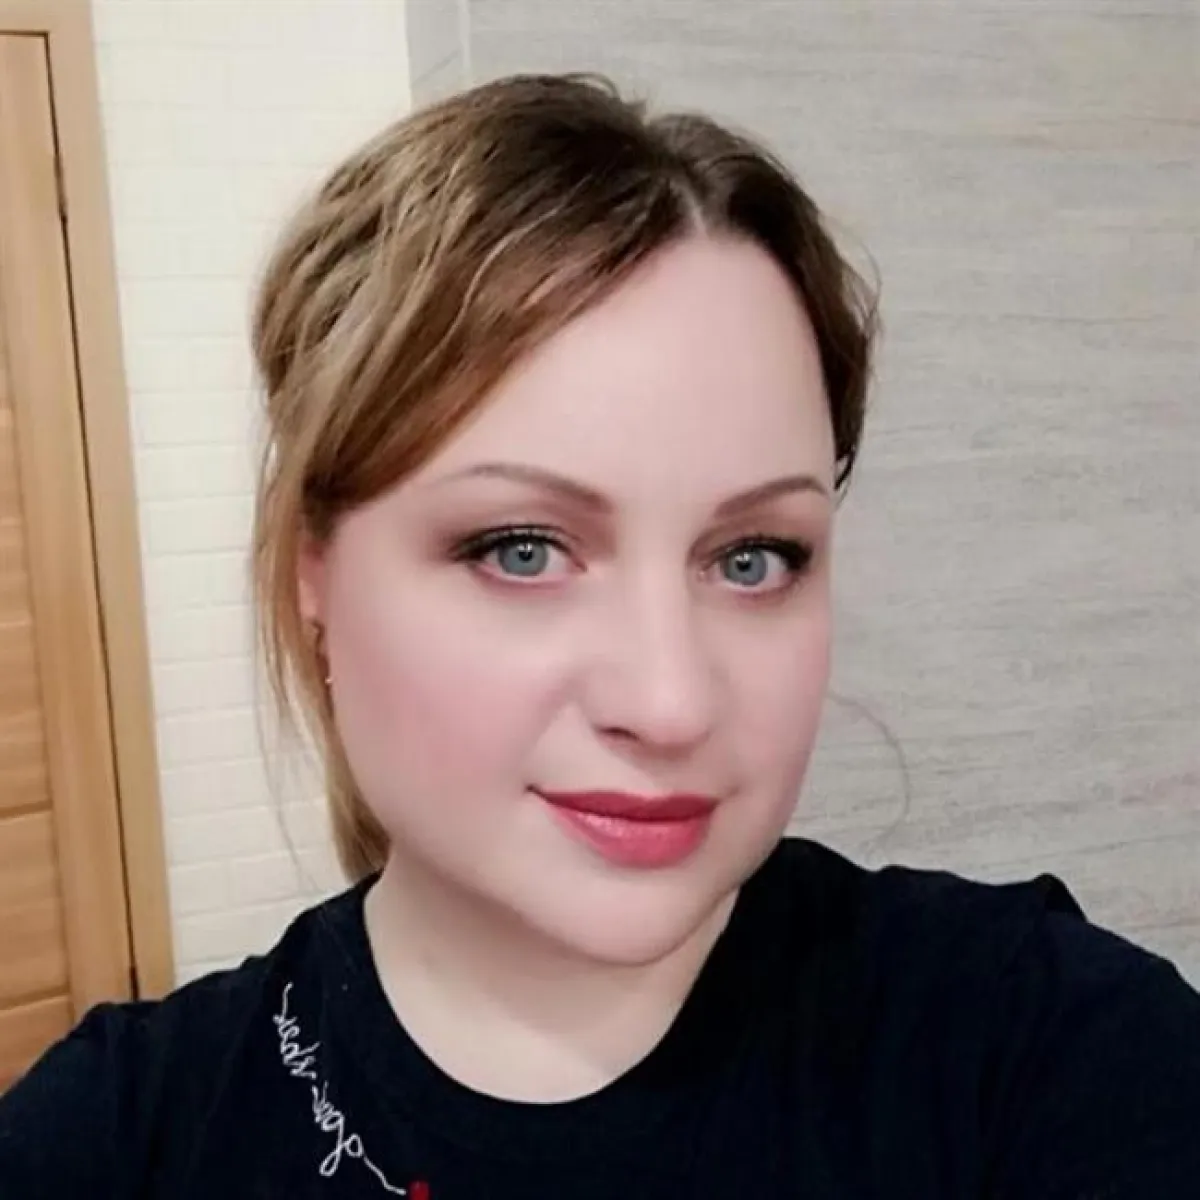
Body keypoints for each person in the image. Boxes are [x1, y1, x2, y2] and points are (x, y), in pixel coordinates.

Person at [1, 72, 1197, 1200]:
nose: (671, 703)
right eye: (522, 549)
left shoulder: (1042, 1048)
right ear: (315, 570)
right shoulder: (115, 1142)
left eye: (752, 557)